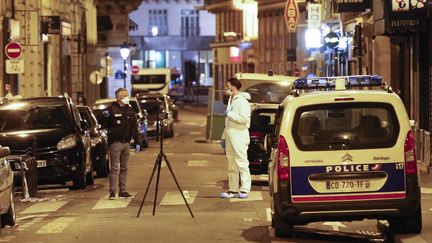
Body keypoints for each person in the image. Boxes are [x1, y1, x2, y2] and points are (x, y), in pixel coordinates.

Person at [98, 88, 141, 200]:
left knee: (124, 168)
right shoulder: (111, 110)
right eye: (124, 96)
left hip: (126, 143)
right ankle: (113, 192)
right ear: (118, 98)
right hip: (115, 144)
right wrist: (103, 116)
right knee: (114, 168)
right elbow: (101, 123)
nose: (127, 97)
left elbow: (134, 128)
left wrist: (137, 142)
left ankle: (122, 191)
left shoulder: (130, 110)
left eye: (127, 95)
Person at [220, 77, 252, 199]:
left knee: (242, 163)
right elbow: (227, 122)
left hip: (239, 137)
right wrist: (223, 137)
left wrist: (230, 114)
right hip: (230, 136)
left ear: (234, 86)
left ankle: (244, 189)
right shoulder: (231, 99)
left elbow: (243, 119)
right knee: (231, 164)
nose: (226, 88)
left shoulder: (242, 101)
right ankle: (232, 189)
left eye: (228, 86)